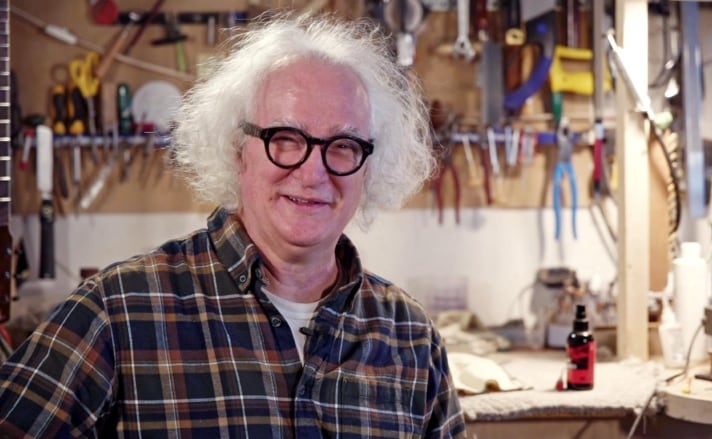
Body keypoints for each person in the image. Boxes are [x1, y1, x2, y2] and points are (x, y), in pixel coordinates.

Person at [0, 11, 466, 438]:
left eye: (343, 145)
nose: (312, 172)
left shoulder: (410, 335)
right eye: (285, 139)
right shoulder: (116, 312)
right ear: (235, 148)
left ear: (369, 164)